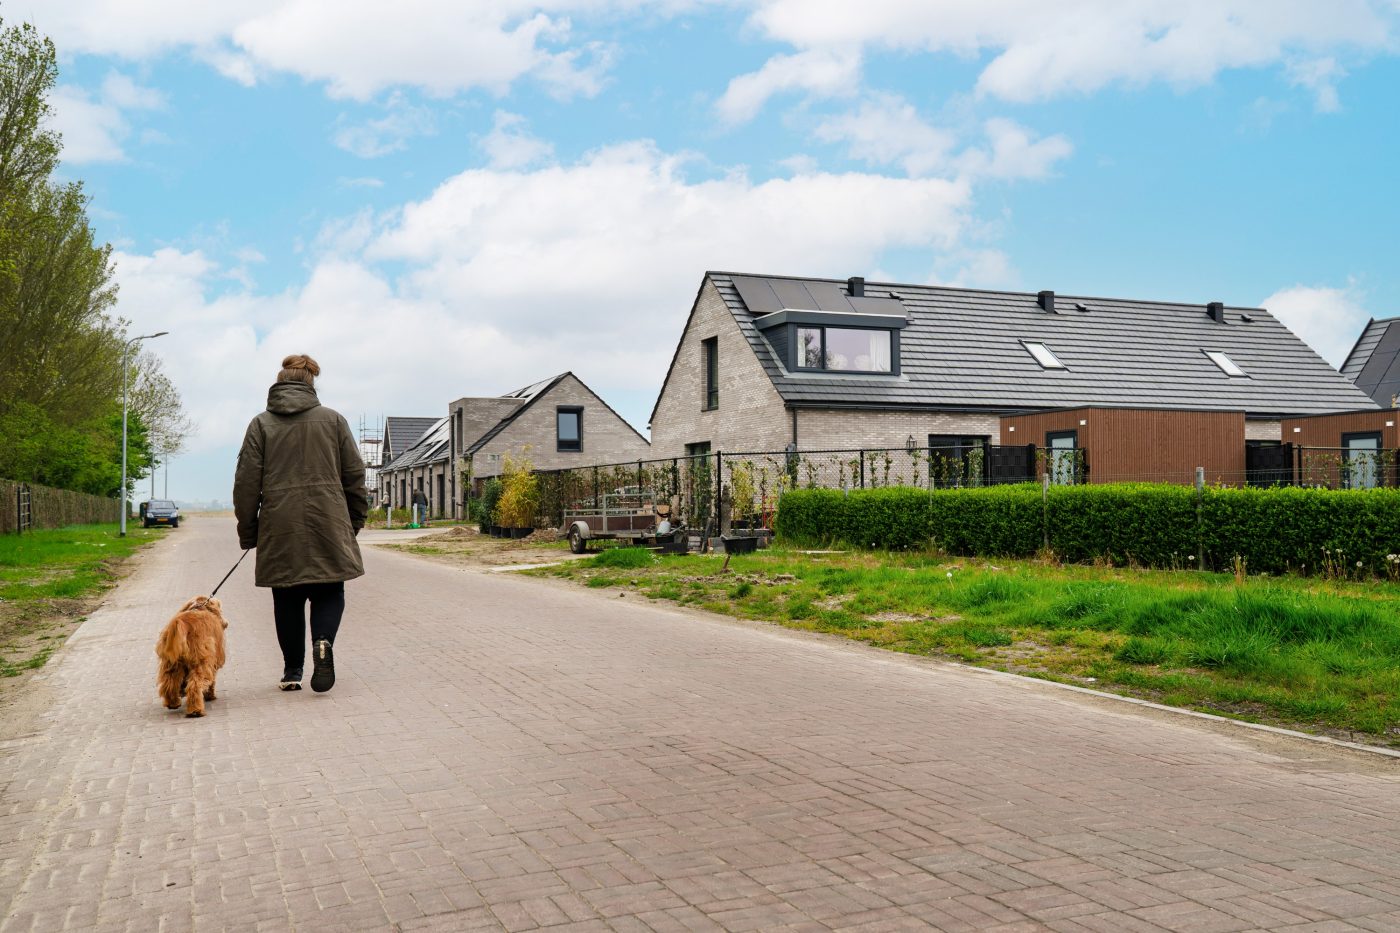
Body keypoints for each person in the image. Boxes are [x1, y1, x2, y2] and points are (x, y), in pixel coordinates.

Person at [233, 354, 368, 693]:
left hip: (280, 526)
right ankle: (323, 642)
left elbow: (246, 484)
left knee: (287, 598)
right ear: (311, 383)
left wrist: (249, 531)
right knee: (329, 589)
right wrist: (353, 521)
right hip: (328, 520)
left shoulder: (260, 425)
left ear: (279, 383)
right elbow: (354, 475)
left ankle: (293, 670)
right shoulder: (333, 420)